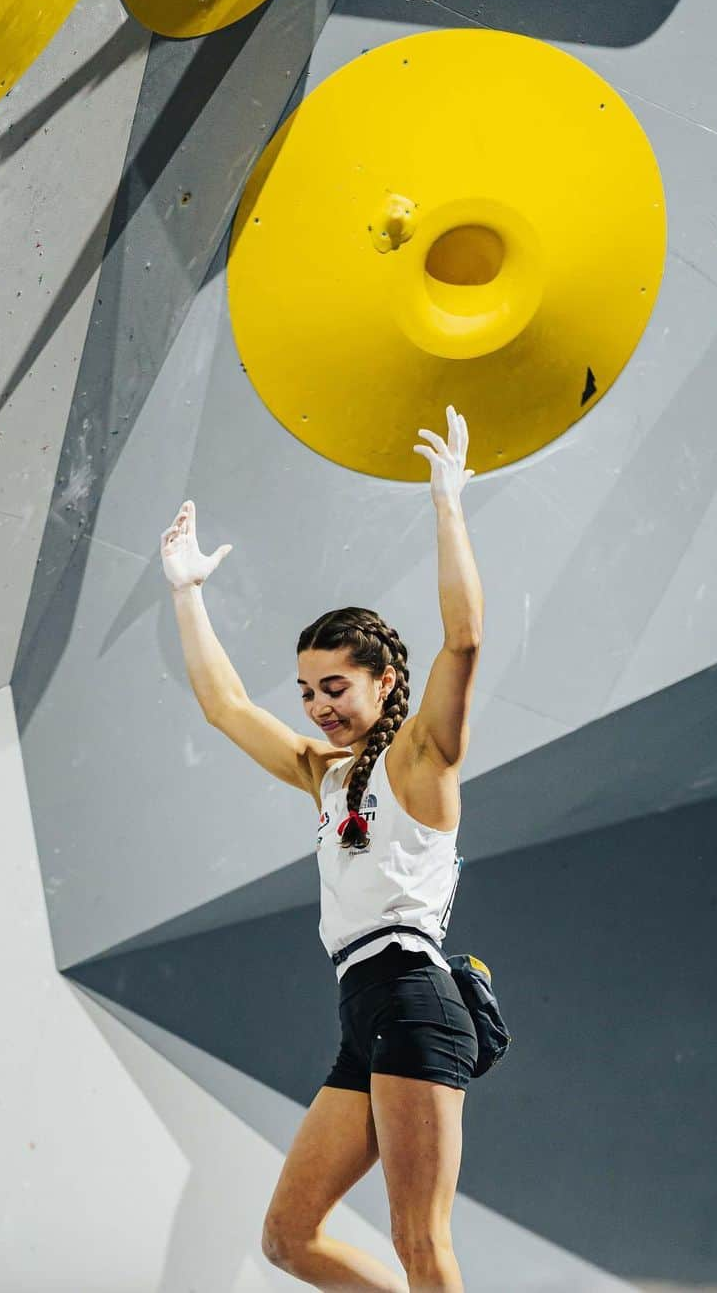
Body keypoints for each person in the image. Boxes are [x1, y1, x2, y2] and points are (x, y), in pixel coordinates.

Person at [160, 405, 483, 1293]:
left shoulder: (422, 759)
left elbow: (465, 640)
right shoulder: (326, 774)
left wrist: (447, 506)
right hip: (364, 1008)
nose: (317, 705)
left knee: (422, 1243)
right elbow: (227, 708)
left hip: (414, 995)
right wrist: (187, 594)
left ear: (384, 680)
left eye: (334, 686)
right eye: (306, 690)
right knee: (288, 1237)